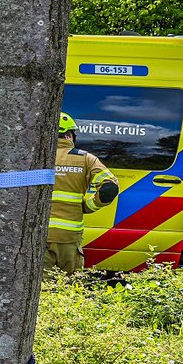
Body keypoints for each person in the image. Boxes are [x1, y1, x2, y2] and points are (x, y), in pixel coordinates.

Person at [47, 112, 120, 274]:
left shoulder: (34, 157)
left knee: (38, 288)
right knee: (65, 287)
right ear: (68, 136)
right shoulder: (85, 158)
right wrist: (88, 207)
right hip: (68, 237)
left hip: (37, 235)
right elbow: (110, 188)